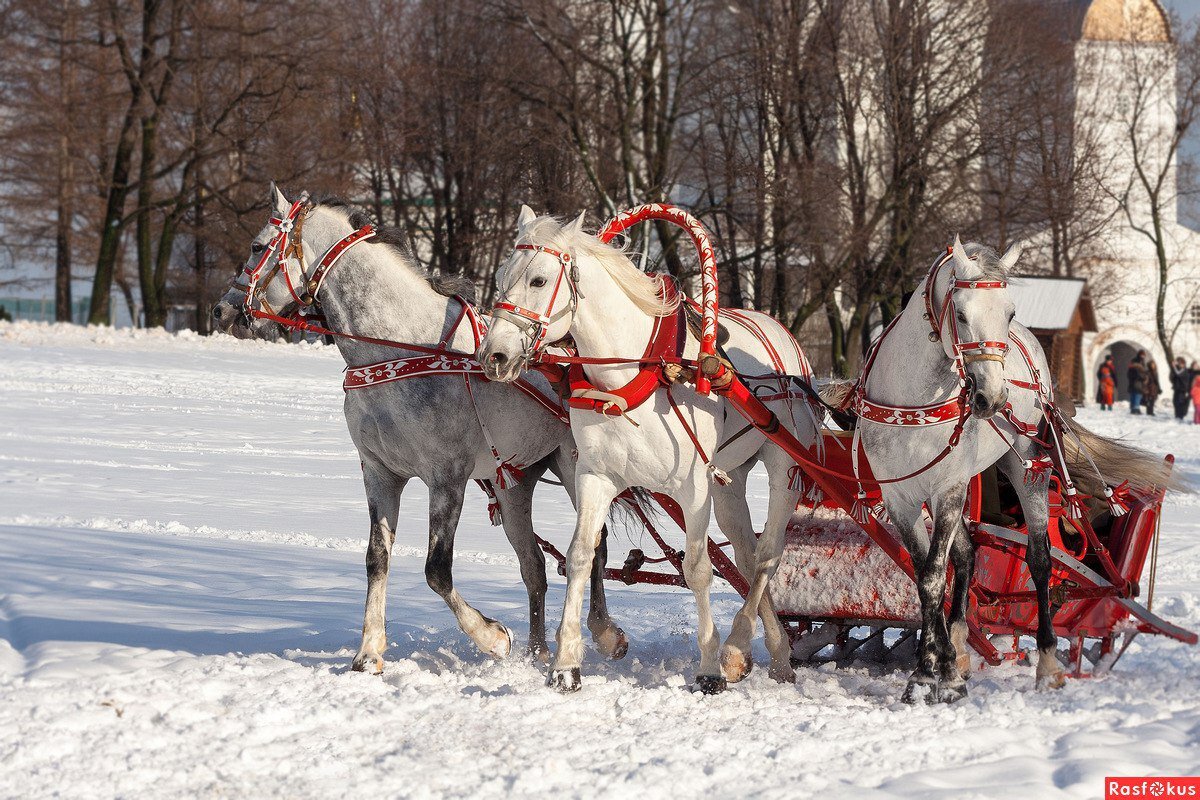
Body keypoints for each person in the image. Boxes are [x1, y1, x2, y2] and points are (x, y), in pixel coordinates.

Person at [1171, 356, 1192, 421]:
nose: (1180, 364)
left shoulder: (1184, 370)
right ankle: (1177, 415)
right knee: (1175, 402)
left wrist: (1174, 366)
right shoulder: (1178, 369)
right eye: (1179, 363)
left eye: (1181, 363)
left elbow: (1178, 374)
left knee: (1179, 403)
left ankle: (1180, 416)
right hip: (1177, 389)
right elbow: (1173, 376)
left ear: (1184, 364)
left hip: (1182, 389)